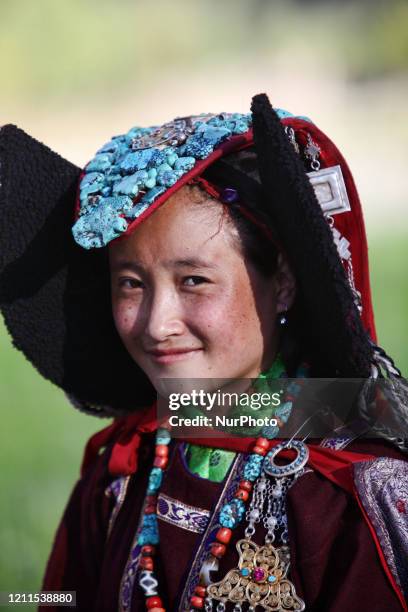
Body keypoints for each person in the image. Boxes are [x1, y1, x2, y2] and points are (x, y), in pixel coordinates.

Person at [0, 94, 407, 612]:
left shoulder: (349, 494)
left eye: (194, 280)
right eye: (130, 283)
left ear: (282, 280)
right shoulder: (125, 468)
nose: (157, 323)